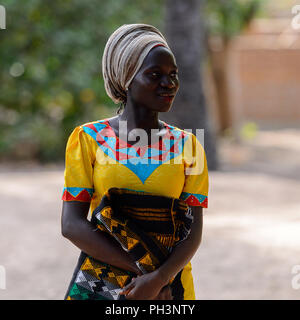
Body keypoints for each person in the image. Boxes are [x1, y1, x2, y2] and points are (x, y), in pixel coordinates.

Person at [61, 23, 209, 300]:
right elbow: (72, 225)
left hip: (171, 288)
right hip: (107, 283)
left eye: (173, 75)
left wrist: (161, 279)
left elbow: (193, 230)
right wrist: (145, 276)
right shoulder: (87, 139)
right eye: (155, 74)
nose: (169, 84)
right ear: (126, 79)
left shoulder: (190, 145)